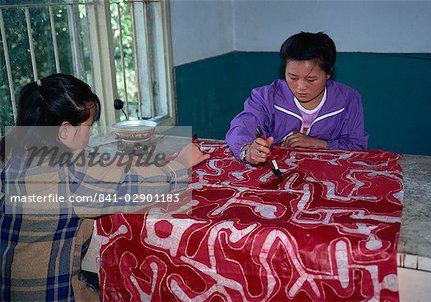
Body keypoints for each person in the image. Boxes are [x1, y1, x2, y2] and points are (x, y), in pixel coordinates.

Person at [0, 73, 209, 301]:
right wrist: (181, 164)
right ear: (65, 130)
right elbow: (136, 188)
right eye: (89, 126)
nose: (90, 135)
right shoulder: (69, 175)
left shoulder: (14, 154)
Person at [226, 31, 368, 165]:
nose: (300, 87)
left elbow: (357, 146)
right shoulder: (267, 97)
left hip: (329, 175)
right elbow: (241, 126)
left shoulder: (348, 99)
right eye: (293, 77)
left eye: (311, 80)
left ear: (328, 73)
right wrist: (247, 151)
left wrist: (319, 144)